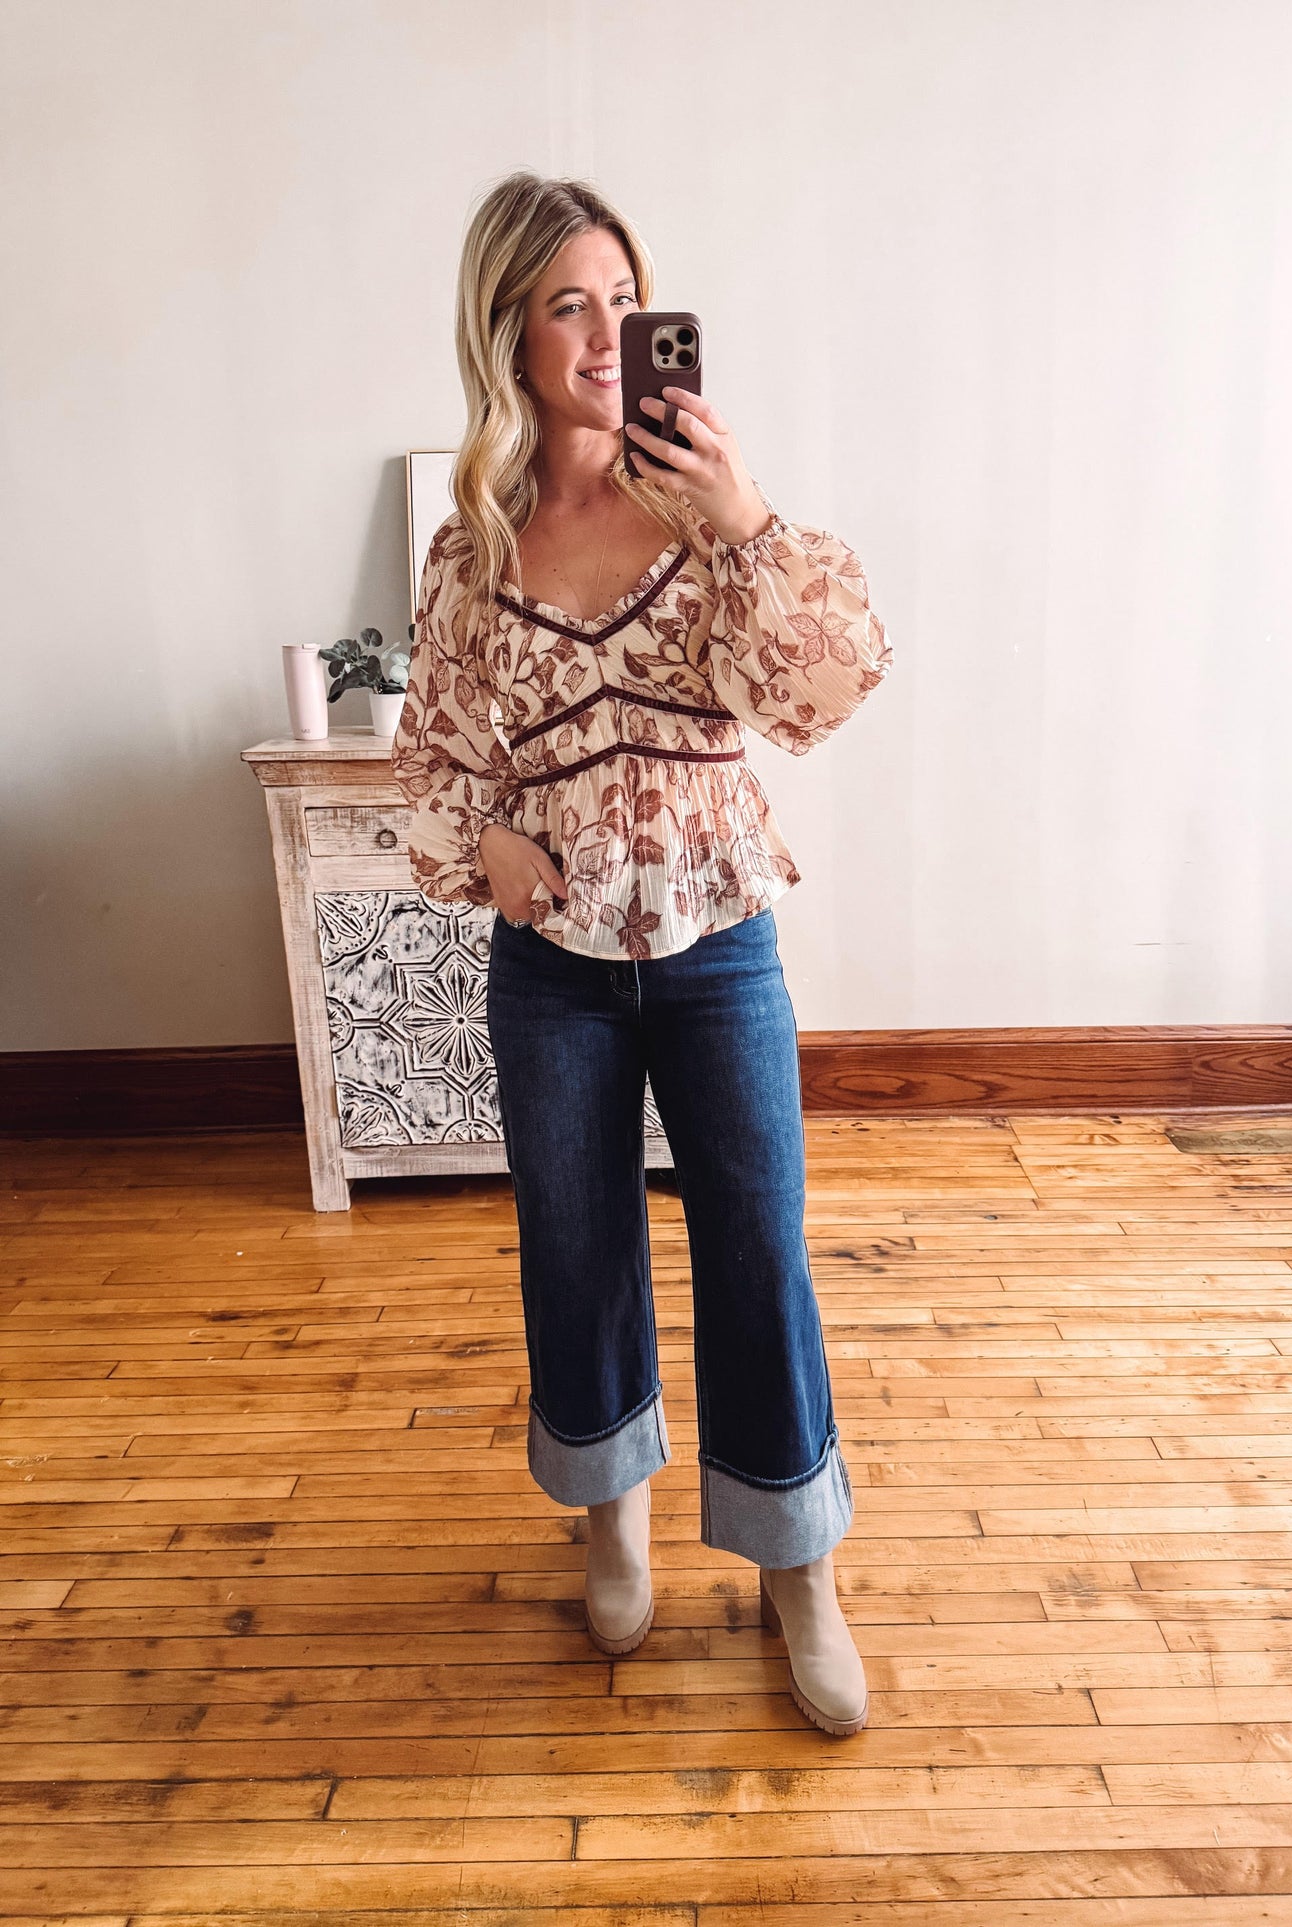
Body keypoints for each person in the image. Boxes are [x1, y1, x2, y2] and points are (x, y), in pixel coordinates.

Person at [393, 170, 893, 1737]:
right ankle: (607, 1513)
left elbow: (823, 694)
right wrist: (485, 848)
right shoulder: (471, 543)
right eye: (567, 305)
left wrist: (744, 518)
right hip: (550, 966)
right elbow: (433, 758)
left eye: (624, 299)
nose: (607, 335)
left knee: (757, 1245)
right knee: (577, 1245)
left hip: (717, 940)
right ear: (509, 336)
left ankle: (793, 1566)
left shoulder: (703, 507)